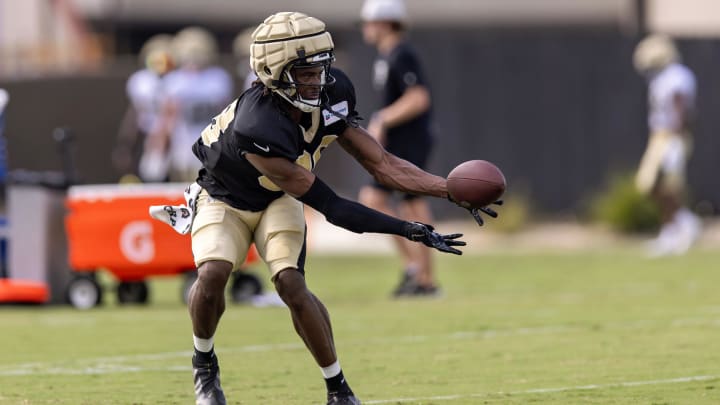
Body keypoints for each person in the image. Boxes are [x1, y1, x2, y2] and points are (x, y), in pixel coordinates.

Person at [156, 12, 497, 405]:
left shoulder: (333, 93)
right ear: (274, 72)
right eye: (304, 73)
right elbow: (332, 206)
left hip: (275, 199)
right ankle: (204, 364)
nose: (317, 80)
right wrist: (409, 229)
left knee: (291, 283)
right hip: (223, 196)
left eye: (320, 69)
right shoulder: (257, 126)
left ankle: (338, 389)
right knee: (214, 272)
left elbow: (383, 164)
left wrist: (449, 190)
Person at [358, 0, 439, 296]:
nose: (366, 29)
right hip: (398, 142)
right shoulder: (387, 56)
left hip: (410, 140)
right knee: (372, 198)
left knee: (412, 204)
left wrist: (383, 118)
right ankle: (415, 267)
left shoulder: (402, 54)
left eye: (368, 22)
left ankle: (426, 279)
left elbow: (418, 98)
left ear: (384, 23)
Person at [633, 34, 701, 257]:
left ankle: (679, 226)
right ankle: (676, 226)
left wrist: (675, 137)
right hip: (660, 135)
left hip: (670, 136)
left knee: (666, 185)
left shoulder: (676, 76)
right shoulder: (660, 77)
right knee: (650, 184)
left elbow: (680, 108)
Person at [145, 26, 234, 183]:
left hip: (207, 149)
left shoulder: (216, 79)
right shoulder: (213, 79)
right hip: (189, 149)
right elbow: (167, 120)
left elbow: (227, 118)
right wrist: (157, 151)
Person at [112, 34, 175, 183]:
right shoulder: (141, 81)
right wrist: (125, 144)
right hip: (147, 137)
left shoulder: (179, 80)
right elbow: (134, 114)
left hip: (176, 139)